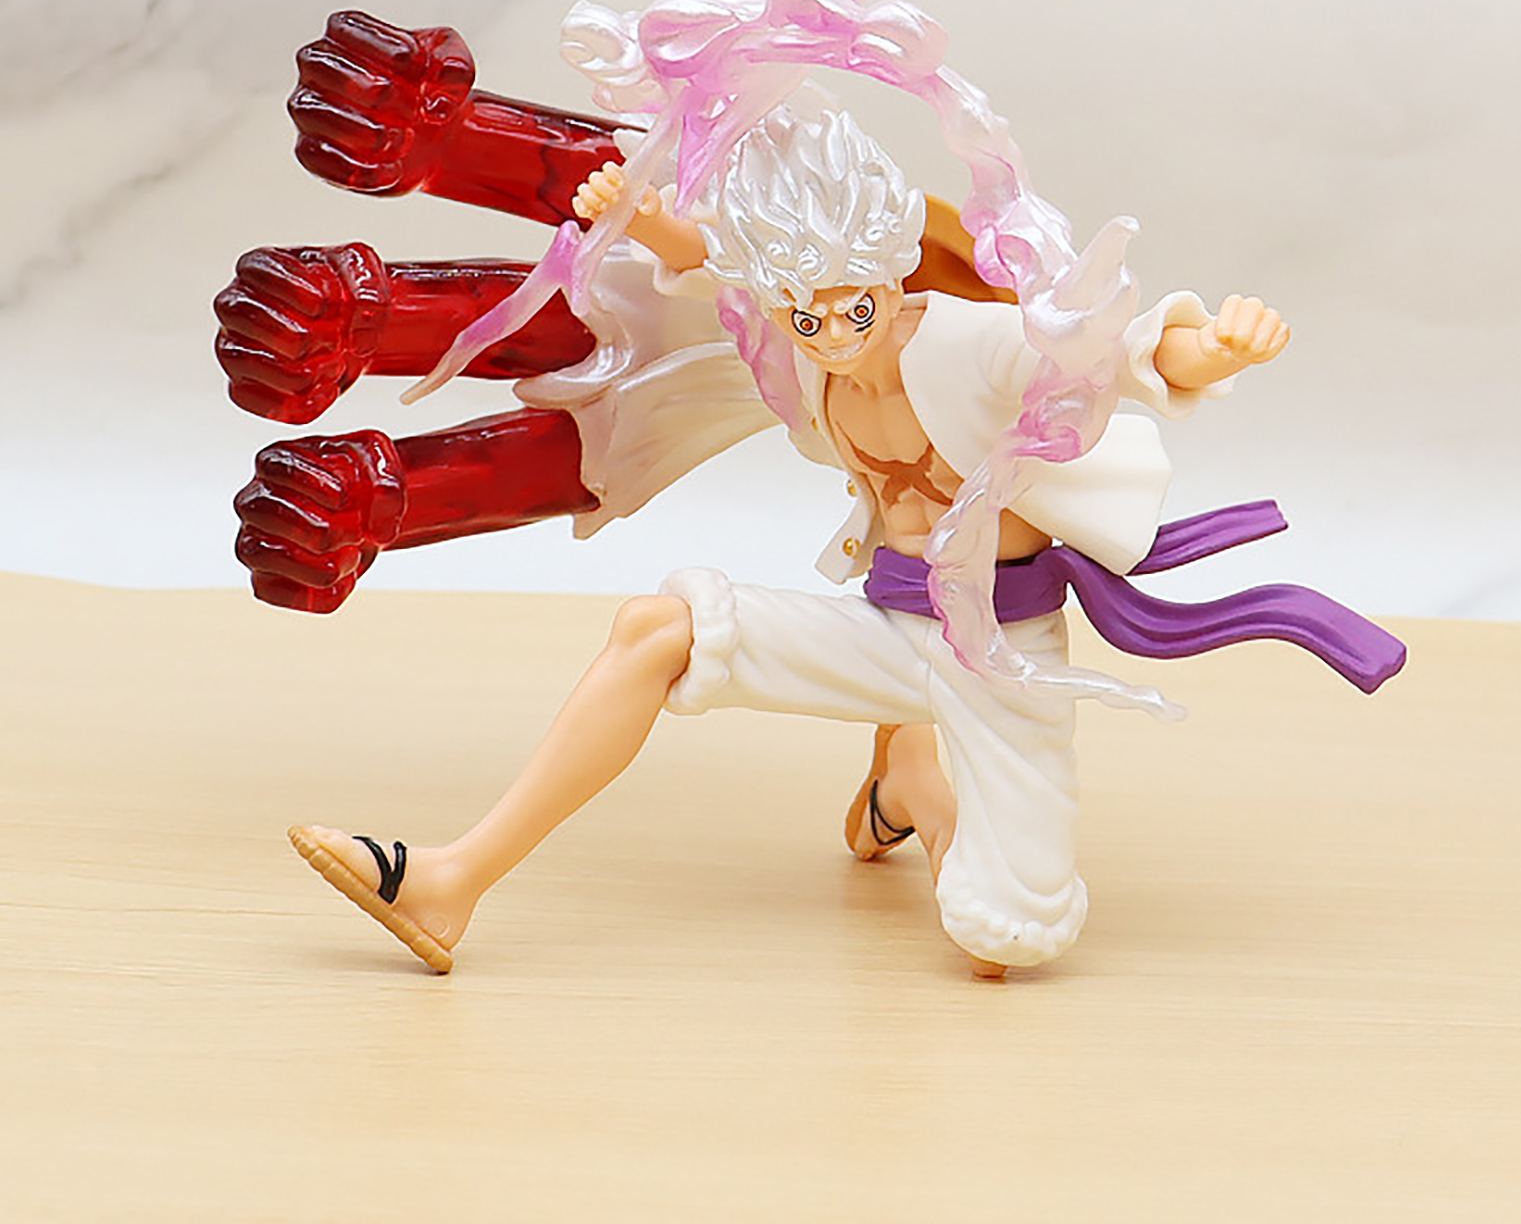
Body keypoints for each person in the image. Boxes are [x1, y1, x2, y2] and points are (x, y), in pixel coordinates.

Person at [290, 104, 1303, 979]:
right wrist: (638, 213)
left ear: (890, 270)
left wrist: (1214, 347)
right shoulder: (797, 337)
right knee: (657, 629)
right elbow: (713, 267)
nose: (834, 336)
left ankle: (914, 784)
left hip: (1004, 654)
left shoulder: (971, 343)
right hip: (891, 625)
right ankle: (451, 880)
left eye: (854, 308)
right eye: (806, 318)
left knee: (1006, 939)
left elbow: (1115, 351)